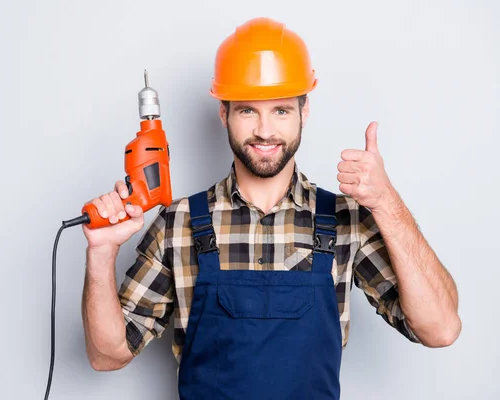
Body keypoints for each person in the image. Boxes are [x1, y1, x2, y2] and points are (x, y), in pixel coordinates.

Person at [80, 17, 461, 399]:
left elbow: (440, 329)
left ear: (304, 112)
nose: (265, 130)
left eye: (281, 110)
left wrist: (387, 204)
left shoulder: (346, 220)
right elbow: (107, 355)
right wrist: (101, 252)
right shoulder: (178, 224)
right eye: (247, 110)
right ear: (223, 113)